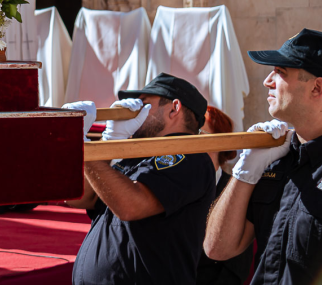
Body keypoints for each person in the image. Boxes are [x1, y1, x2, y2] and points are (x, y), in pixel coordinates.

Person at [203, 29, 322, 285]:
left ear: (317, 87)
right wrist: (245, 171)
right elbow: (217, 248)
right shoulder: (272, 157)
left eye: (280, 72)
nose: (267, 81)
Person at [65, 73, 216, 285]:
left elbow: (130, 206)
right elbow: (80, 198)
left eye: (144, 103)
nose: (133, 110)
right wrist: (109, 141)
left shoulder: (189, 157)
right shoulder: (137, 154)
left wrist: (82, 144)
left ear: (174, 108)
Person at [196, 106, 252, 285]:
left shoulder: (235, 188)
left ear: (220, 141)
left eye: (198, 132)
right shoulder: (172, 186)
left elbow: (236, 268)